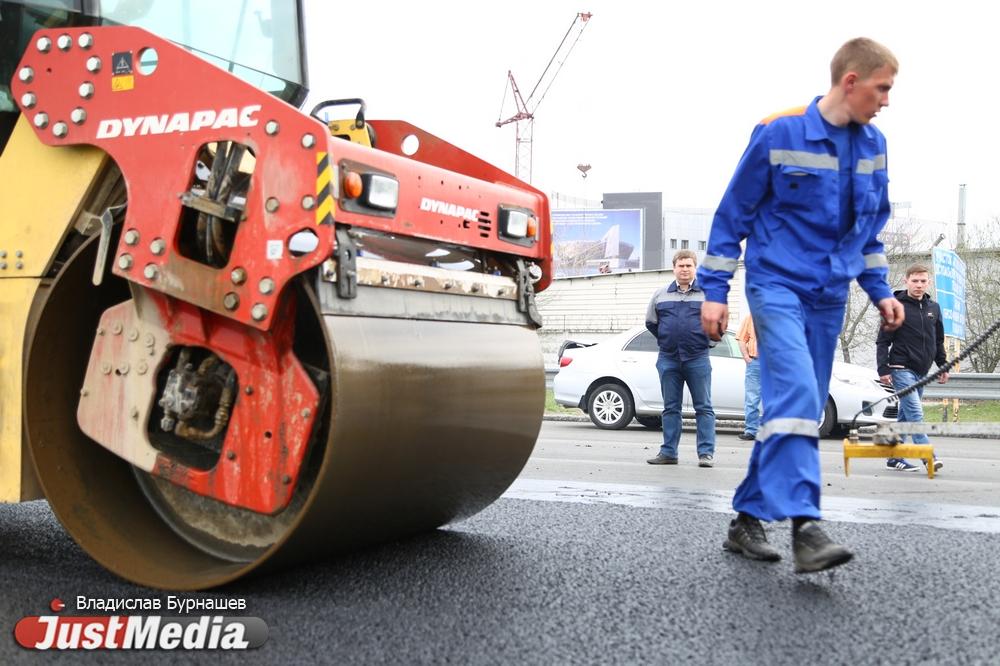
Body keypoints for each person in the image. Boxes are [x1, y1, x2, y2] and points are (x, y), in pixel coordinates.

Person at [697, 37, 905, 574]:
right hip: (777, 286)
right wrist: (714, 294)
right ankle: (805, 527)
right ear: (851, 81)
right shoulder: (779, 131)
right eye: (882, 88)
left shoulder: (874, 146)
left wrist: (881, 292)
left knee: (801, 411)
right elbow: (731, 218)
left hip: (829, 295)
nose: (886, 100)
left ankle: (746, 519)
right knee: (794, 395)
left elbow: (871, 234)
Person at [645, 250, 716, 468]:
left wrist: (704, 343)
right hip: (669, 359)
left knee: (703, 407)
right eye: (681, 265)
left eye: (689, 266)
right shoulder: (660, 294)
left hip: (698, 359)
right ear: (674, 268)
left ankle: (705, 454)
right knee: (670, 408)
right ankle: (668, 453)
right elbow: (651, 323)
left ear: (695, 268)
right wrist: (668, 341)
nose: (684, 269)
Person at [876, 263, 949, 472]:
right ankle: (928, 456)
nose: (919, 285)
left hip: (922, 370)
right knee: (915, 413)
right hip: (900, 367)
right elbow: (882, 341)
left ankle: (894, 457)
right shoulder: (894, 306)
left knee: (906, 415)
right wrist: (883, 369)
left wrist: (942, 365)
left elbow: (938, 340)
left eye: (923, 281)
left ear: (928, 282)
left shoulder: (933, 308)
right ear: (906, 281)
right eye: (915, 281)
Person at [735, 314, 761, 441]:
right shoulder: (751, 317)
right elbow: (741, 338)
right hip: (755, 362)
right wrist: (746, 357)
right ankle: (751, 430)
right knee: (752, 398)